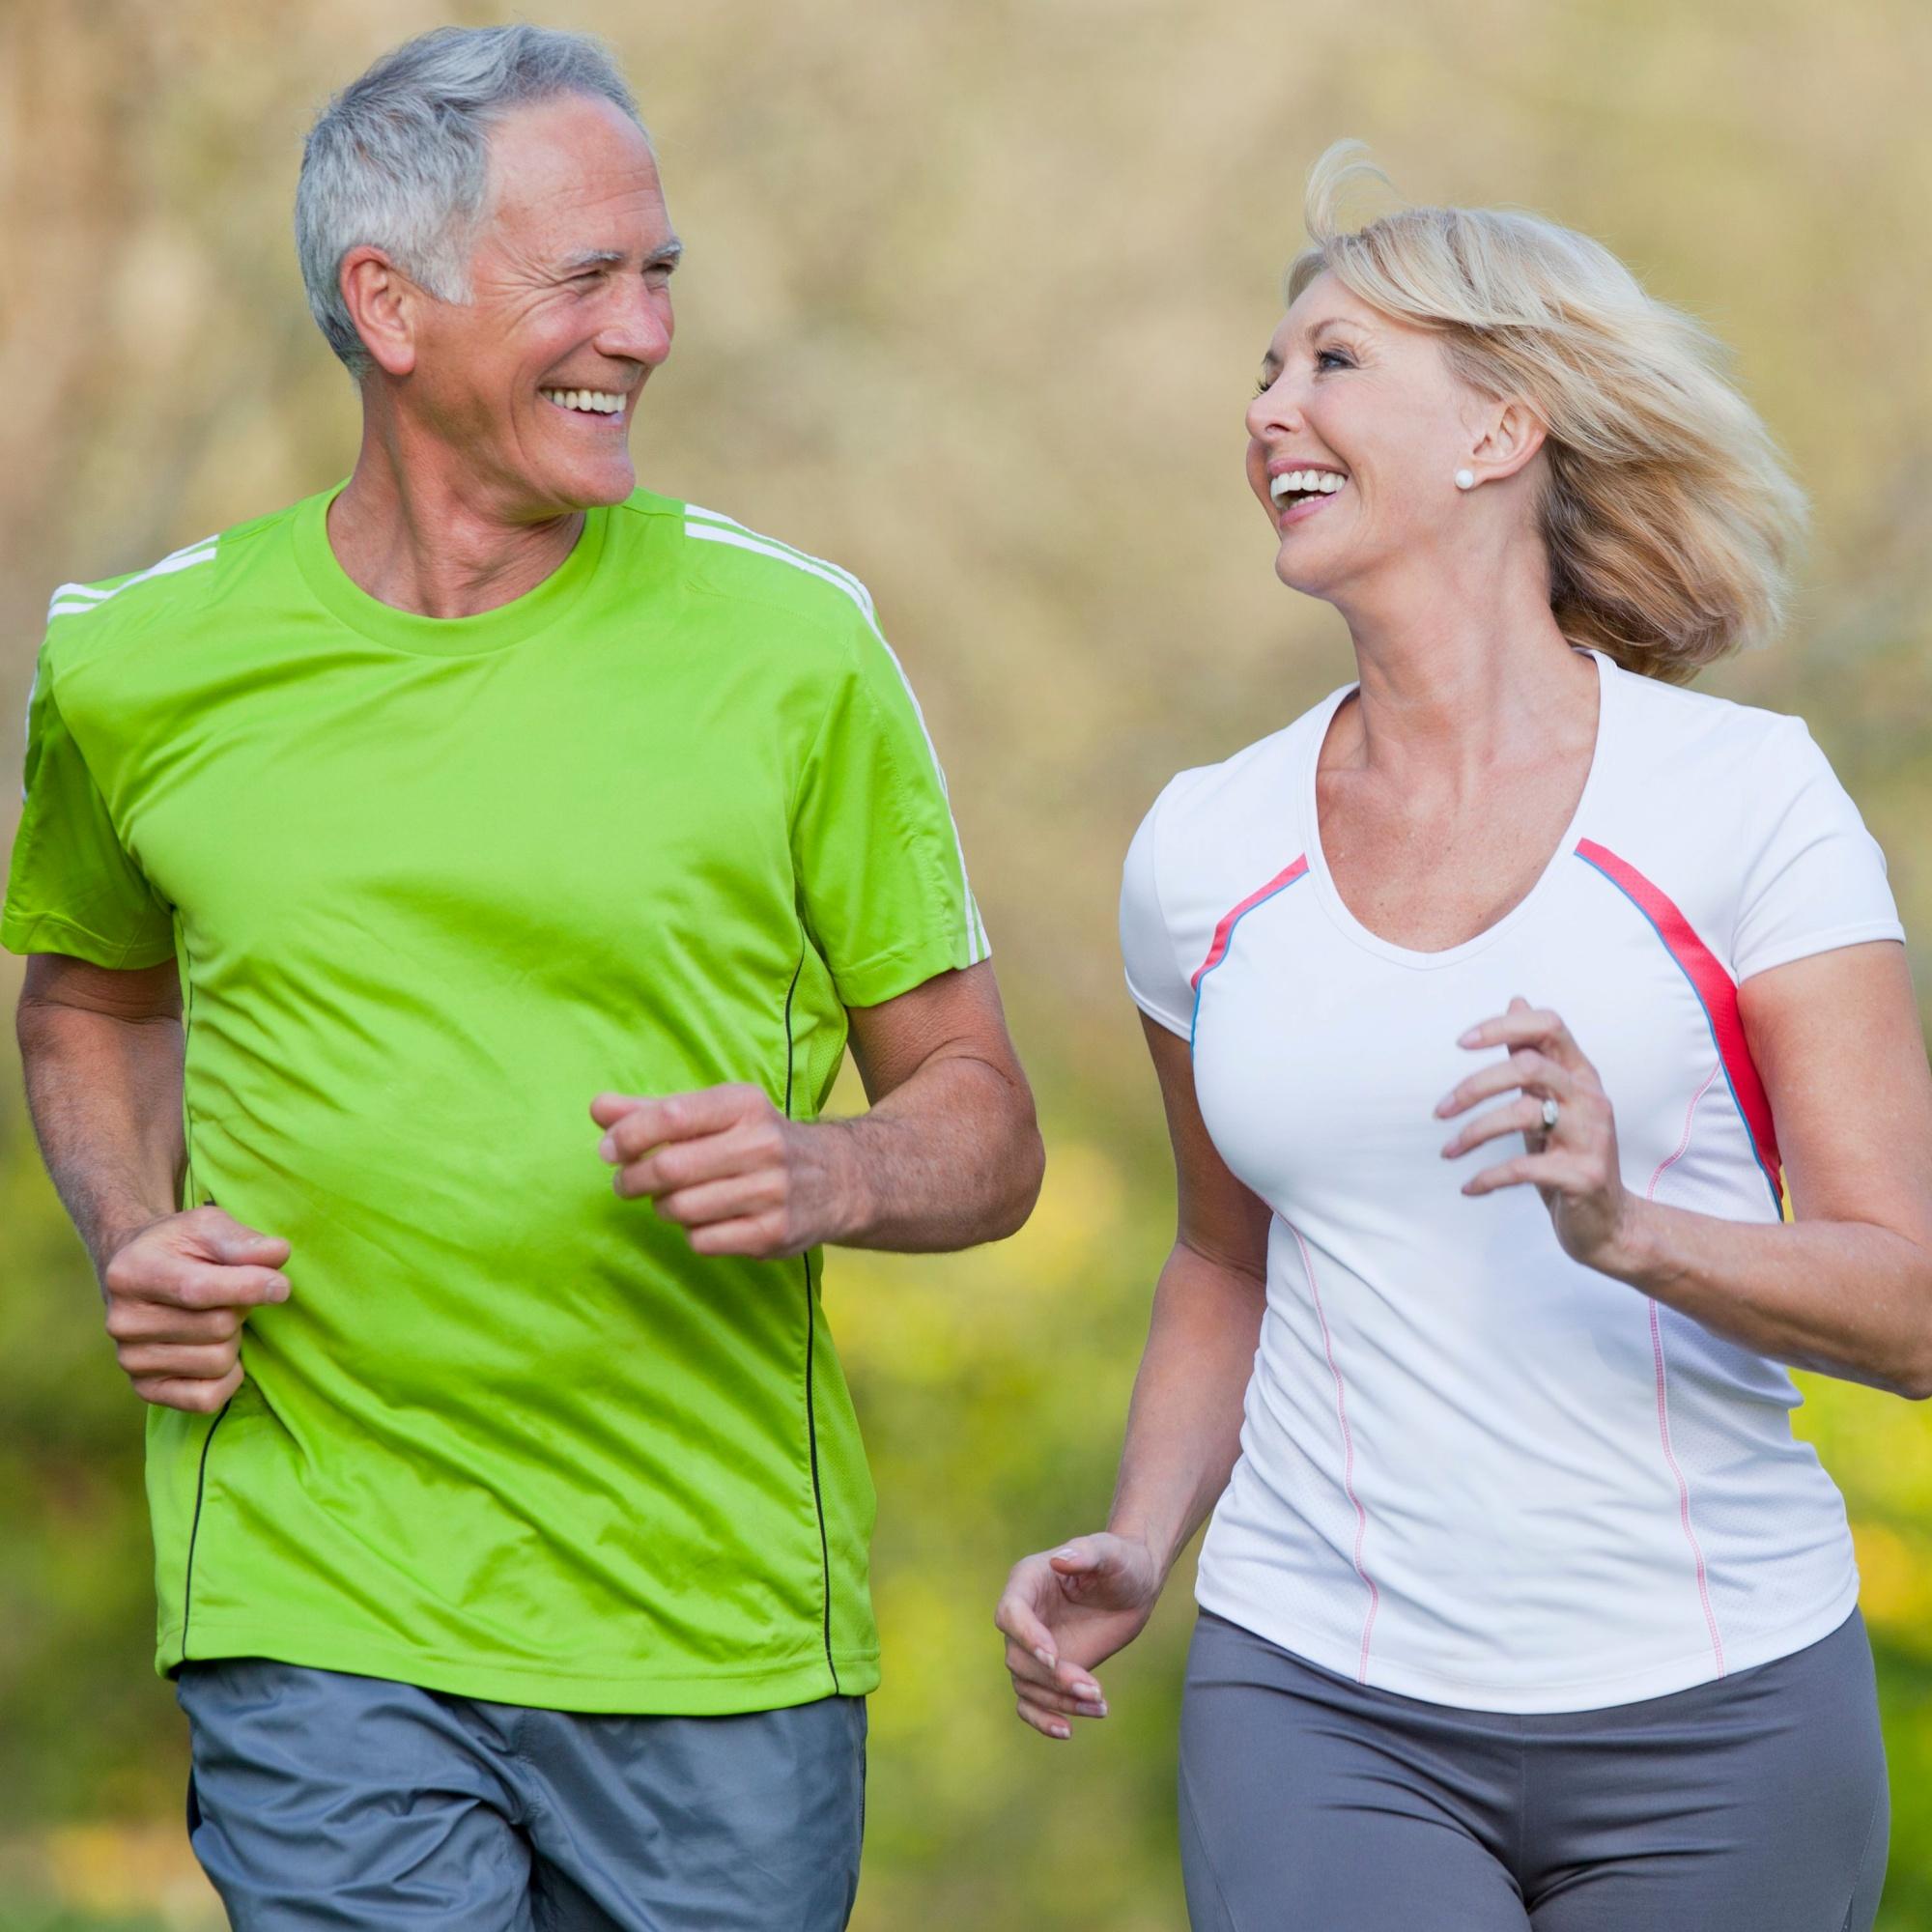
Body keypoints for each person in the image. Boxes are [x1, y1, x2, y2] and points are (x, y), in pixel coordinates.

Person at [6, 24, 1042, 1930]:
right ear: (386, 306)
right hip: (315, 1585)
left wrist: (832, 1169)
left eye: (659, 274)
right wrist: (126, 1227)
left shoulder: (793, 649)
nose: (642, 332)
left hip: (708, 1620)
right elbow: (88, 995)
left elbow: (984, 1122)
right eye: (587, 277)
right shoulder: (137, 664)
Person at [996, 140, 1930, 1931]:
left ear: (1502, 430)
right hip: (1321, 1693)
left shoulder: (1747, 802)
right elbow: (1222, 1253)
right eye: (1266, 372)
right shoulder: (1205, 847)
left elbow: (1910, 1306)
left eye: (1334, 361)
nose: (1272, 407)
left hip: (1718, 1705)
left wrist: (1626, 1228)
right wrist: (1143, 1536)